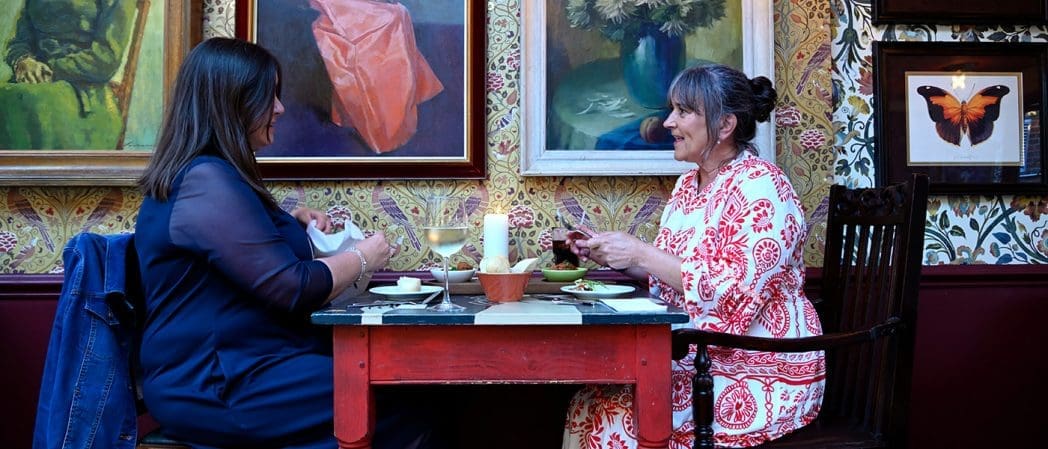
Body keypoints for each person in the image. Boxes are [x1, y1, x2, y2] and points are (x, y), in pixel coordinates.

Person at [134, 37, 439, 449]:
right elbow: (292, 286)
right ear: (233, 103)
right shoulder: (205, 181)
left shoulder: (208, 178)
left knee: (408, 387)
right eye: (269, 96)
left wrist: (289, 223)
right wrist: (363, 256)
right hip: (219, 380)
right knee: (402, 400)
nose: (279, 107)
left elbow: (240, 259)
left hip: (248, 364)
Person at [562, 64, 825, 448]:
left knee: (616, 414)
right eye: (671, 109)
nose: (668, 122)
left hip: (758, 362)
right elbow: (674, 273)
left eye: (683, 111)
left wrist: (641, 251)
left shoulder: (763, 187)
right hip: (701, 352)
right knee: (593, 397)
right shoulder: (690, 185)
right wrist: (609, 255)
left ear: (724, 126)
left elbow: (735, 294)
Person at [0, 0, 137, 149]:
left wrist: (51, 70)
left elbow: (106, 58)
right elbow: (17, 42)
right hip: (32, 85)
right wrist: (23, 61)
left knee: (32, 103)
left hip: (85, 100)